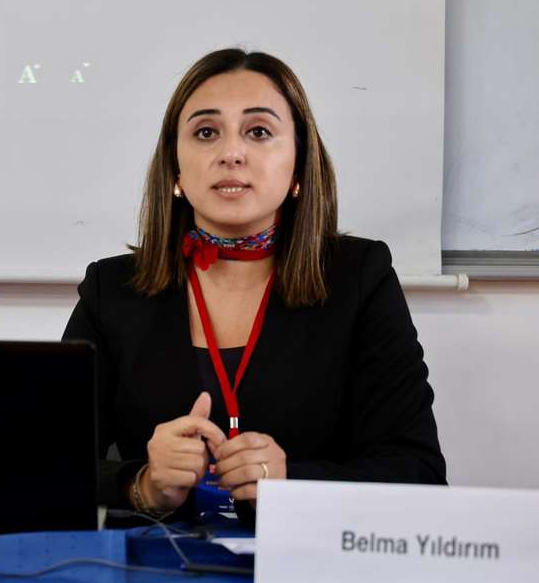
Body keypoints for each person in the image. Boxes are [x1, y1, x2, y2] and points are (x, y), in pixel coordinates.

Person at [64, 48, 446, 520]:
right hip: (159, 559)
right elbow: (40, 465)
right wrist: (140, 484)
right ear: (175, 169)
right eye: (206, 132)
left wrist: (291, 485)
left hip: (306, 557)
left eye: (259, 132)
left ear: (298, 167)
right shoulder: (111, 288)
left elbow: (418, 472)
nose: (231, 154)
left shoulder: (360, 276)